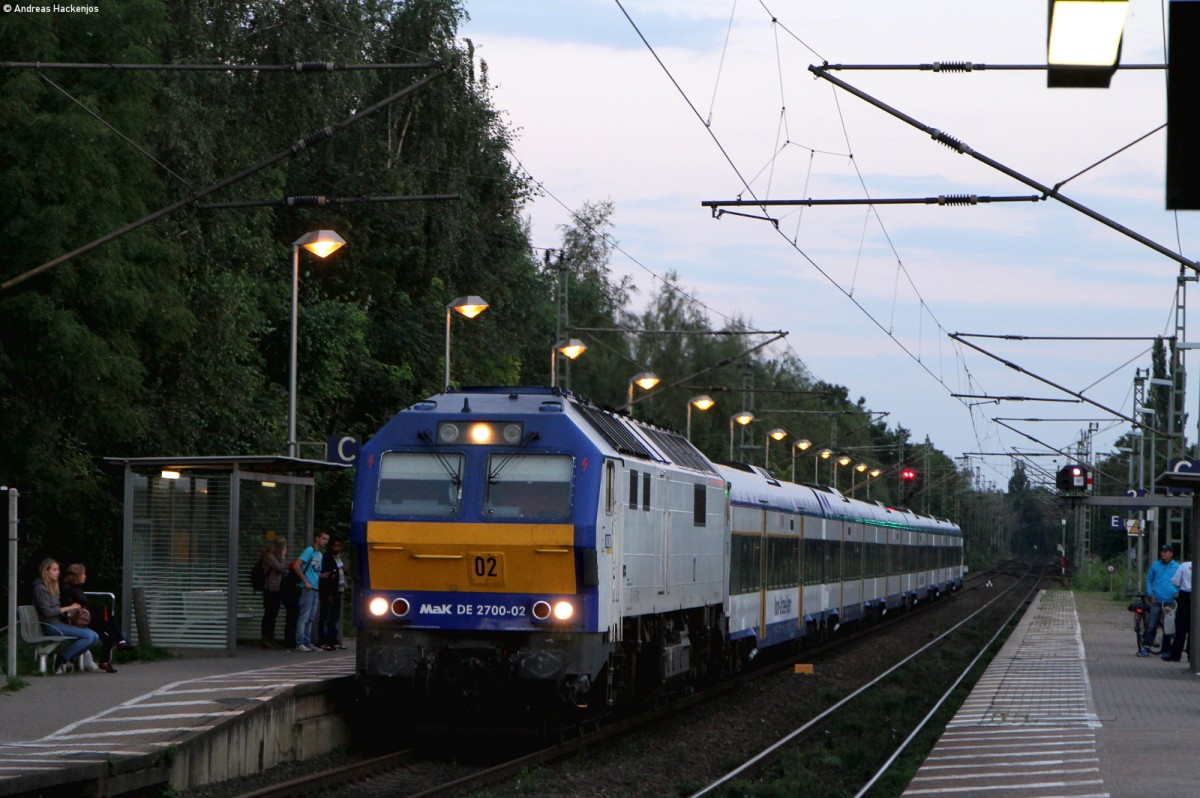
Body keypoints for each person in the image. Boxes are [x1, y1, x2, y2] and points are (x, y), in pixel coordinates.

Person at [31, 558, 100, 674]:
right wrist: (68, 608)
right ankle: (62, 658)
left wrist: (72, 612)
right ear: (45, 571)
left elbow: (57, 609)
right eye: (54, 570)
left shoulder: (52, 587)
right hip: (51, 625)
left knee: (94, 636)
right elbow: (47, 612)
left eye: (58, 570)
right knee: (88, 636)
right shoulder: (40, 589)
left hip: (59, 623)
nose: (58, 572)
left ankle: (69, 658)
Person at [60, 563, 132, 673]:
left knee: (109, 629)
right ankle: (120, 642)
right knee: (108, 618)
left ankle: (108, 657)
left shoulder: (77, 588)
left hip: (85, 619)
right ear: (77, 575)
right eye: (83, 574)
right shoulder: (67, 589)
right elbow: (70, 607)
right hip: (77, 620)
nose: (85, 576)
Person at [1139, 544, 1180, 657]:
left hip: (1170, 601)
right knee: (1152, 625)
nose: (1163, 553)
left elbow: (1182, 581)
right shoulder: (1155, 565)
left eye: (1166, 551)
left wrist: (1178, 592)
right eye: (1162, 551)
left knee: (1169, 625)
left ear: (1171, 553)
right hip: (1157, 600)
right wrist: (1150, 593)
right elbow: (1149, 579)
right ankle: (1146, 648)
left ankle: (1166, 650)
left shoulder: (1177, 567)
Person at [291, 530, 329, 652]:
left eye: (327, 539)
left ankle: (308, 642)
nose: (325, 541)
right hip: (307, 587)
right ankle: (300, 642)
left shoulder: (320, 554)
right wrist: (305, 581)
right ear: (317, 538)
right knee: (304, 616)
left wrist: (322, 576)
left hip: (315, 587)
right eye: (323, 538)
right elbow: (297, 565)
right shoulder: (310, 551)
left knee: (311, 617)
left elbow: (315, 570)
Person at [318, 538, 347, 650]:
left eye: (339, 546)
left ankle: (333, 639)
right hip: (329, 590)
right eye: (335, 546)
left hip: (339, 589)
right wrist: (328, 593)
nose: (337, 548)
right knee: (326, 616)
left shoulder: (339, 557)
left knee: (334, 616)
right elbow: (326, 577)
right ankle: (323, 640)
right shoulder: (326, 558)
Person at [259, 540, 289, 649]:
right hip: (270, 588)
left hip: (277, 588)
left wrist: (282, 559)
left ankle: (271, 637)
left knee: (274, 614)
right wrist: (283, 557)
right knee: (269, 613)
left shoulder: (276, 557)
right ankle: (266, 638)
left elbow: (285, 570)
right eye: (284, 547)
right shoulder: (269, 556)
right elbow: (280, 568)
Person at [1167, 559, 1193, 662]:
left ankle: (1176, 654)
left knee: (1181, 626)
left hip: (1185, 596)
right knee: (1195, 626)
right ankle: (1193, 655)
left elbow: (1176, 581)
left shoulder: (1184, 565)